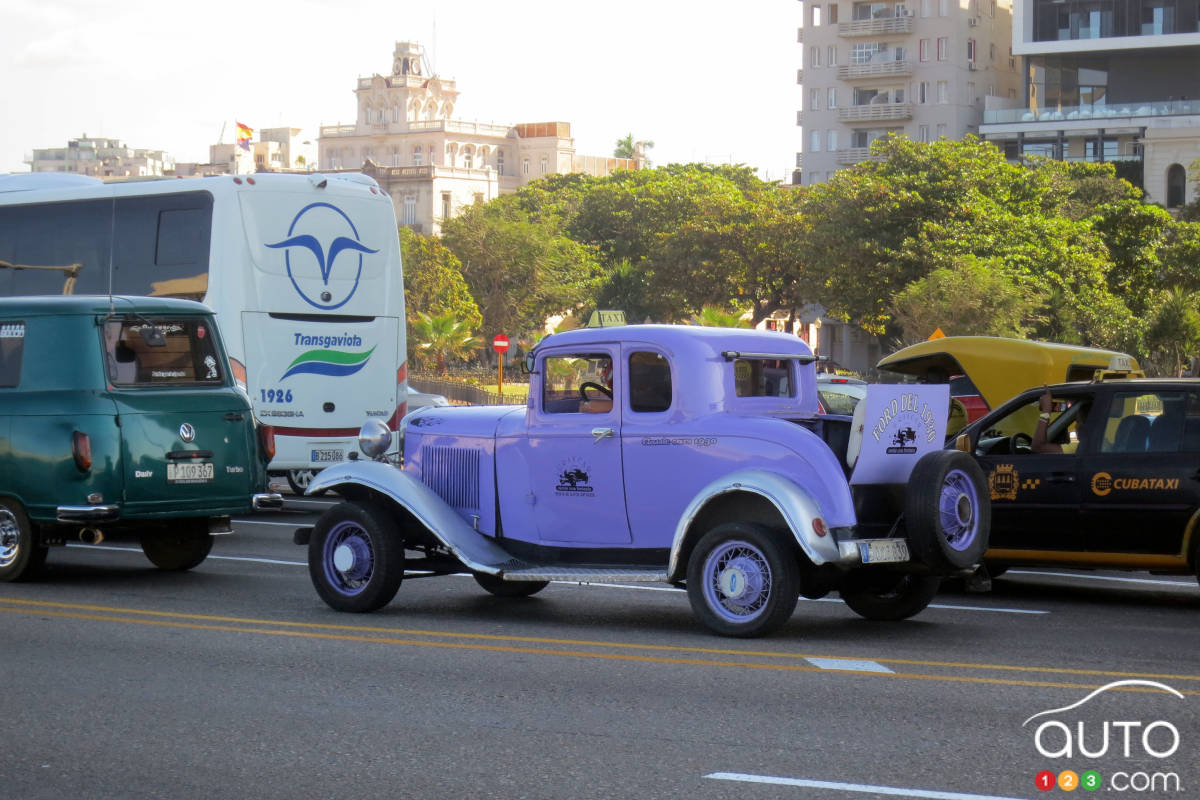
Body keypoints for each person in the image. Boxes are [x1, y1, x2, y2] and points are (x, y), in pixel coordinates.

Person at [1031, 387, 1087, 453]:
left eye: (1078, 422)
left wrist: (1046, 411)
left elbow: (1037, 447)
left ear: (1088, 425)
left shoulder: (1080, 448)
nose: (1075, 427)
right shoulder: (1096, 447)